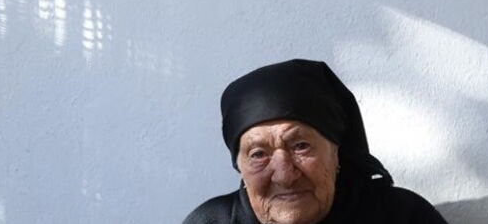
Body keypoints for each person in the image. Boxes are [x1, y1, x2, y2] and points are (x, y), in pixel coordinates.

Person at [183, 59, 448, 224]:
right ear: (239, 165)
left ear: (337, 154)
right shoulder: (209, 222)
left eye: (301, 146)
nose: (285, 175)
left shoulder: (401, 217)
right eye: (258, 154)